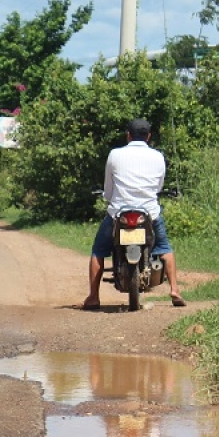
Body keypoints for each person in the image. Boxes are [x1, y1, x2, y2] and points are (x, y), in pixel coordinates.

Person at [82, 118, 185, 310]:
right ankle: (175, 290)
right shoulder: (158, 156)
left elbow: (108, 187)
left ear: (128, 135)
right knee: (164, 248)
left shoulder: (115, 154)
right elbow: (158, 186)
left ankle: (94, 297)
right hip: (149, 214)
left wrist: (109, 197)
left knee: (98, 251)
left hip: (118, 214)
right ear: (149, 136)